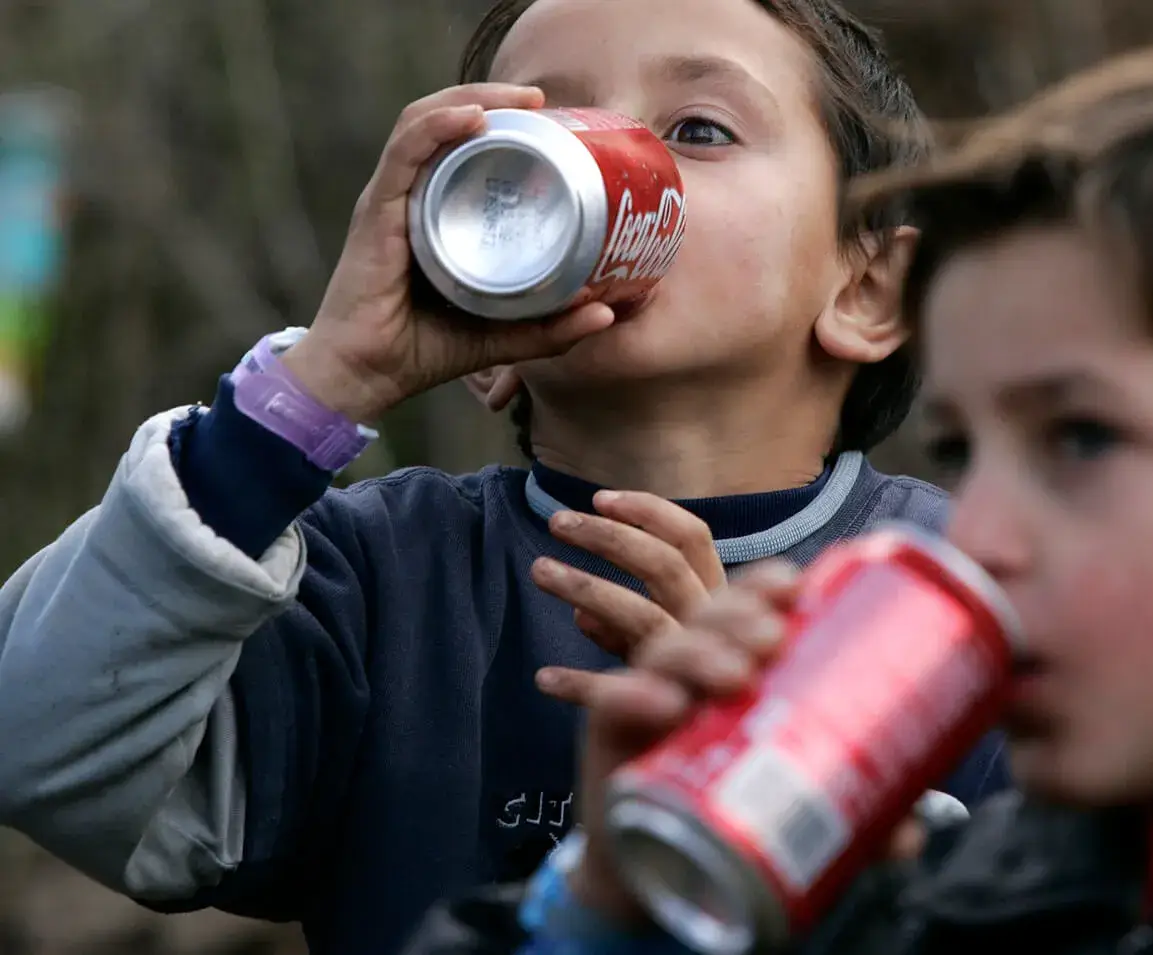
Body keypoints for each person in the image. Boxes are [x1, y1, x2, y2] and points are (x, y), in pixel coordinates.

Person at [411, 37, 1153, 955]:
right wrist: (615, 905)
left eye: (1082, 440)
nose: (980, 533)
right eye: (966, 450)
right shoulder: (988, 891)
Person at [0, 2, 1011, 954]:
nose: (591, 156)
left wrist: (776, 768)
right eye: (534, 136)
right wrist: (324, 382)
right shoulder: (373, 583)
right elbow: (39, 741)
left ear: (867, 285)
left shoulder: (968, 594)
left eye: (699, 129)